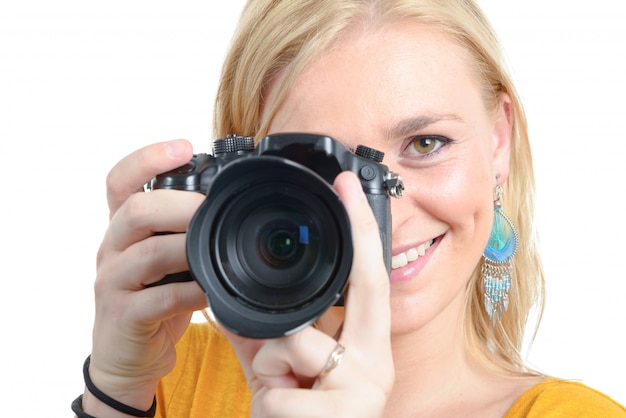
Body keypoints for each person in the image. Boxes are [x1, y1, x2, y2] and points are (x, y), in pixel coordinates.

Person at [73, 0, 626, 417]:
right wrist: (115, 392)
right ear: (244, 182)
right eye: (323, 170)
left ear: (498, 140)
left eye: (427, 144)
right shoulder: (170, 376)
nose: (374, 217)